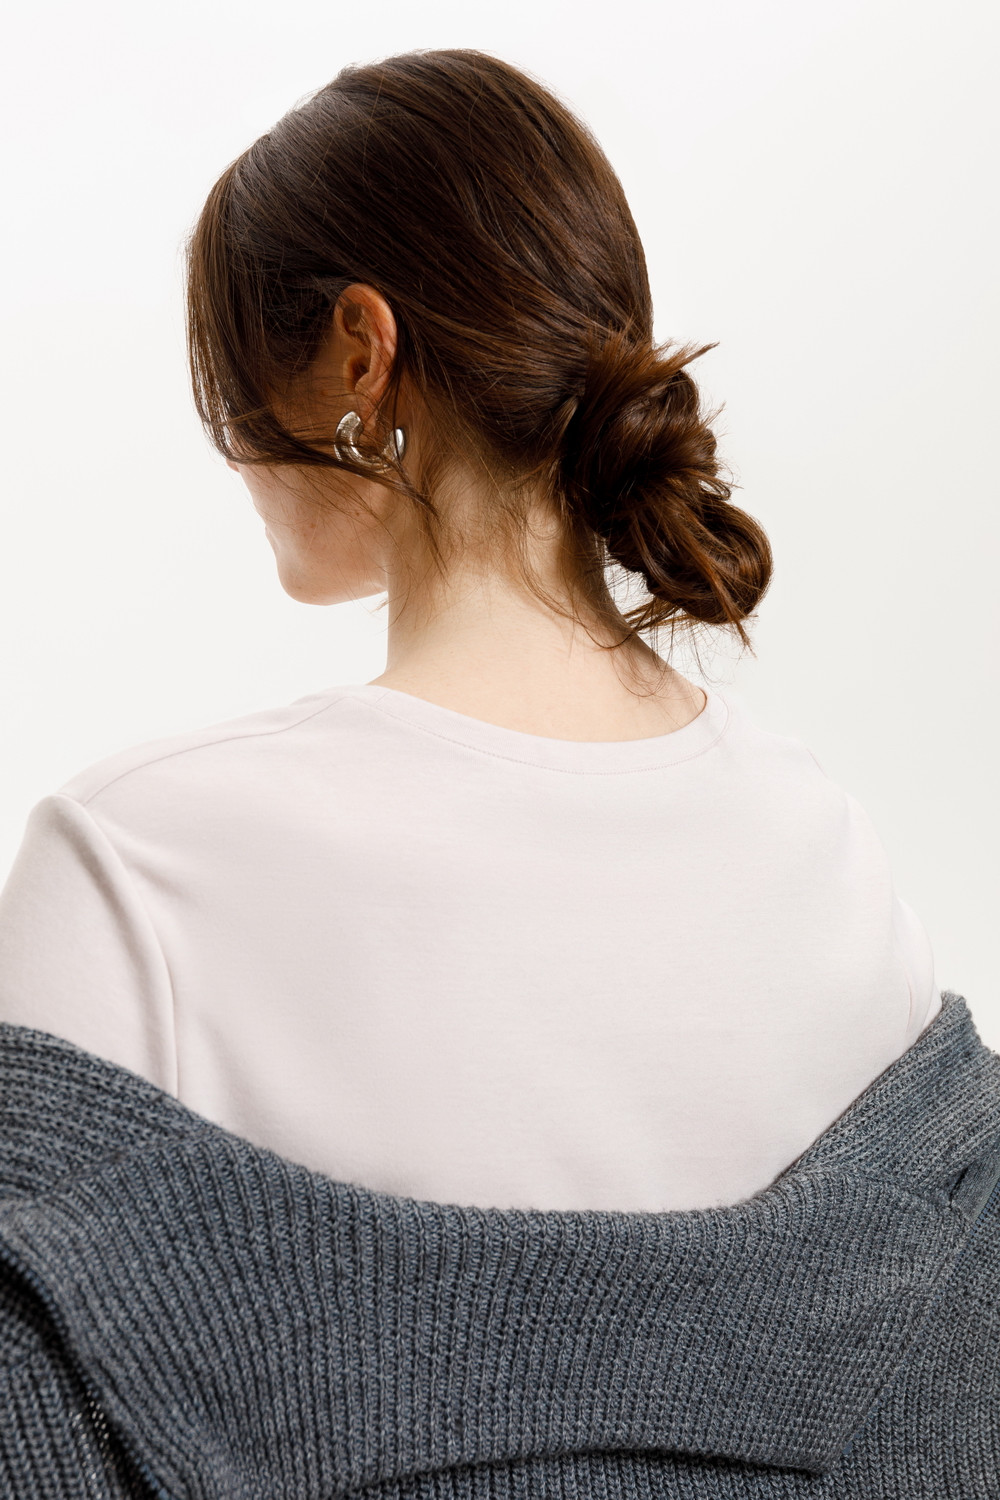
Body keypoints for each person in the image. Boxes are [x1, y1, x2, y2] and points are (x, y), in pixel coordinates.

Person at [0, 47, 939, 1219]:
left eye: (234, 382)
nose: (232, 446)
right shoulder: (835, 861)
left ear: (360, 353)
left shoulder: (135, 869)